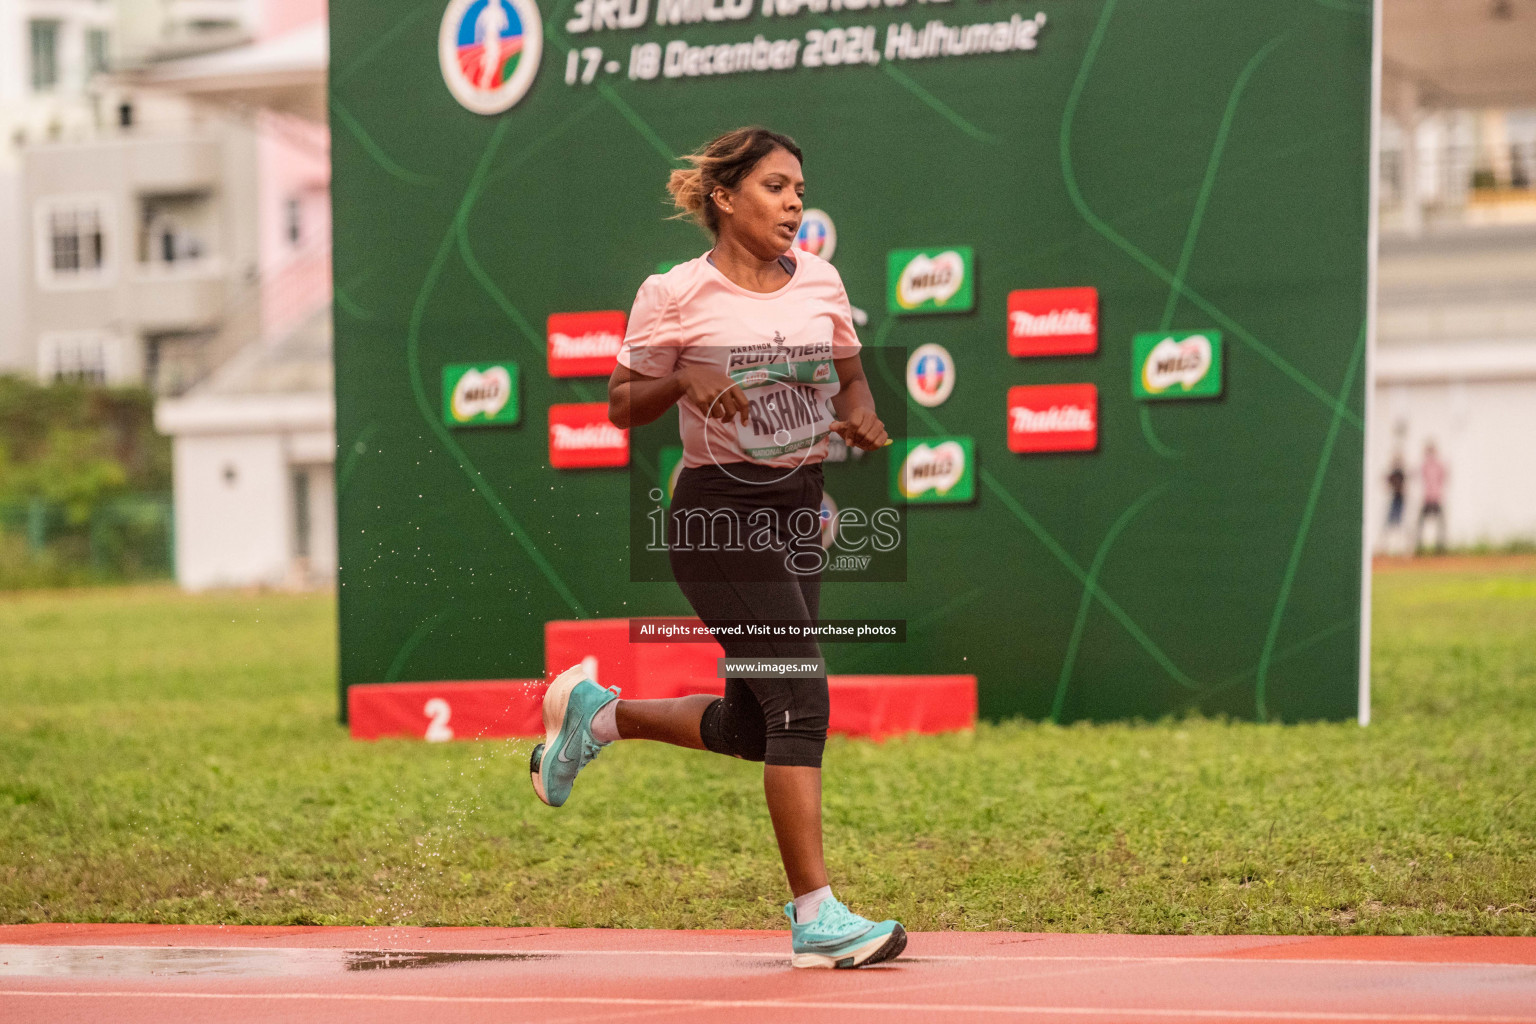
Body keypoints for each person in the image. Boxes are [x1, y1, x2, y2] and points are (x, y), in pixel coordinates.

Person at [528, 127, 904, 969]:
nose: (795, 202)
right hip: (719, 517)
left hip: (796, 514)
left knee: (751, 725)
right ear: (726, 199)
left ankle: (599, 716)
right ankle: (816, 918)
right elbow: (623, 403)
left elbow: (849, 373)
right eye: (776, 187)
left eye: (800, 188)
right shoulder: (673, 293)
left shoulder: (822, 280)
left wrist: (859, 411)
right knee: (801, 706)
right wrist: (683, 378)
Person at [1418, 441, 1447, 554]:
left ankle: (1440, 547)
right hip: (1427, 498)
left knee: (1441, 524)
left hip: (1436, 498)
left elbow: (1442, 479)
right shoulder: (1425, 465)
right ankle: (1419, 547)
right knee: (1421, 523)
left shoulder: (1439, 465)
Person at [1383, 456, 1407, 555]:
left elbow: (1403, 487)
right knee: (1390, 523)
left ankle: (1401, 548)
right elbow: (1388, 482)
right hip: (1395, 499)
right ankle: (1387, 547)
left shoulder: (1400, 474)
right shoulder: (1394, 474)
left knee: (1399, 524)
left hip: (1400, 500)